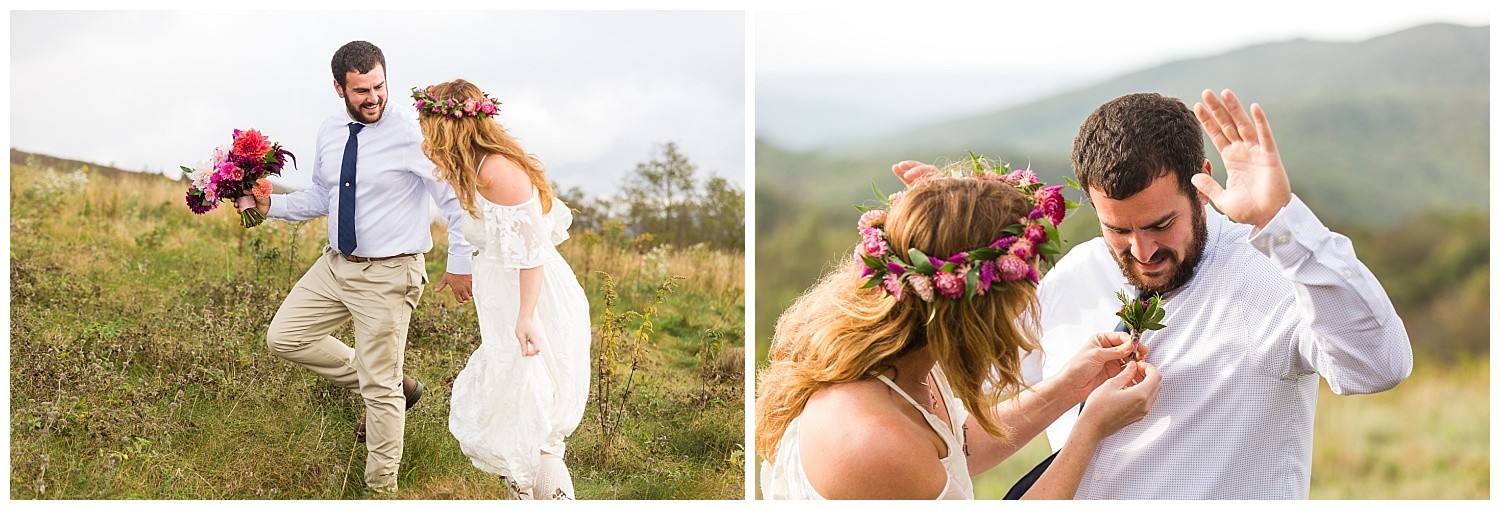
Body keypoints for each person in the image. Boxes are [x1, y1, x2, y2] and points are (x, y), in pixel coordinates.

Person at [893, 89, 1412, 498]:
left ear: (1202, 184)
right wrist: (960, 252)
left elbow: (1379, 366)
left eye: (1161, 224)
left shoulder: (1276, 272)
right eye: (1117, 230)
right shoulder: (1075, 274)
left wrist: (1283, 226)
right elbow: (974, 394)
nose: (1142, 252)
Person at [756, 161, 1161, 500]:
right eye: (1026, 287)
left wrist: (1072, 387)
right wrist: (1089, 430)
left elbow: (955, 449)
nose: (1033, 300)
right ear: (976, 311)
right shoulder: (870, 441)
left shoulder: (906, 363)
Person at [238, 41, 476, 494]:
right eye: (361, 90)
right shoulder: (330, 130)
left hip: (389, 273)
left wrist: (460, 264)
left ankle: (379, 489)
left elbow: (456, 201)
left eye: (379, 86)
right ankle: (392, 385)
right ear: (338, 88)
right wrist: (268, 206)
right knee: (285, 337)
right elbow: (320, 197)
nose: (373, 98)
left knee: (378, 389)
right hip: (335, 265)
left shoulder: (412, 133)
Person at [412, 79, 592, 500]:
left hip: (533, 298)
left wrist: (527, 316)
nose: (423, 133)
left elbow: (531, 253)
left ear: (446, 126)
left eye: (427, 124)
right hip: (504, 295)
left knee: (536, 416)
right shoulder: (469, 169)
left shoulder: (497, 171)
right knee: (512, 411)